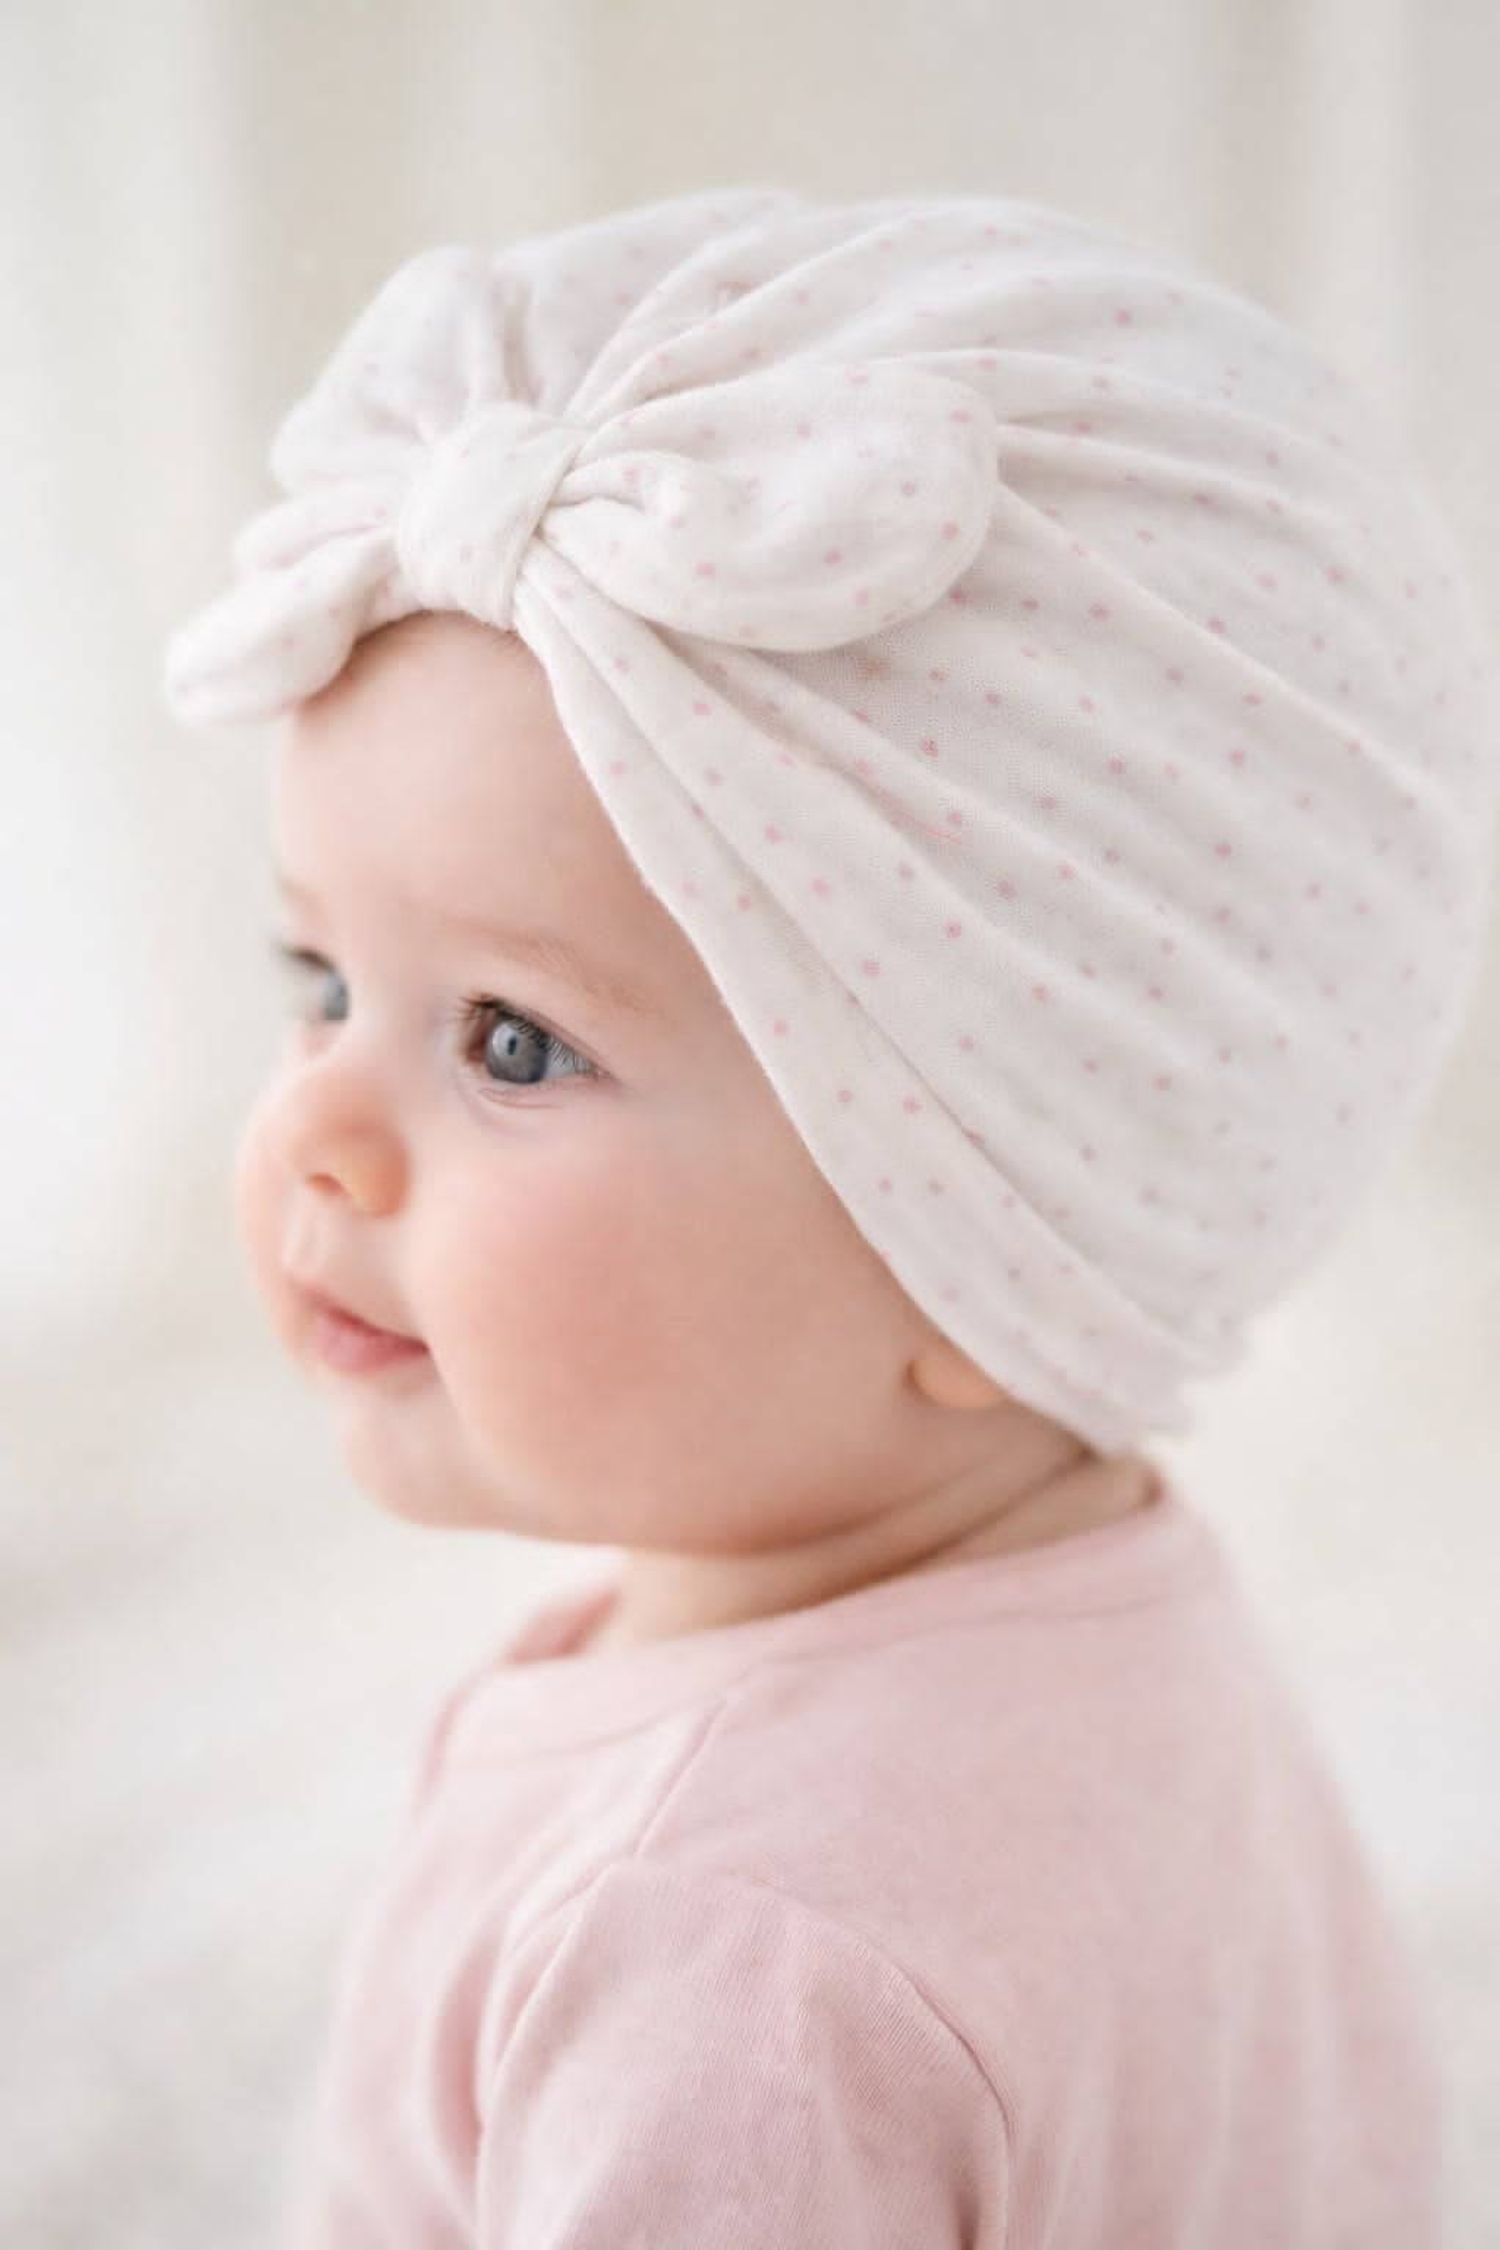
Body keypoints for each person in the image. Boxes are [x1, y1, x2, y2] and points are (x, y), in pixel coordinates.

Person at [162, 183, 1496, 2246]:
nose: (319, 1130)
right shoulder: (1122, 1618)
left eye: (513, 1043)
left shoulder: (725, 1976)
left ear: (987, 1245)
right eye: (321, 980)